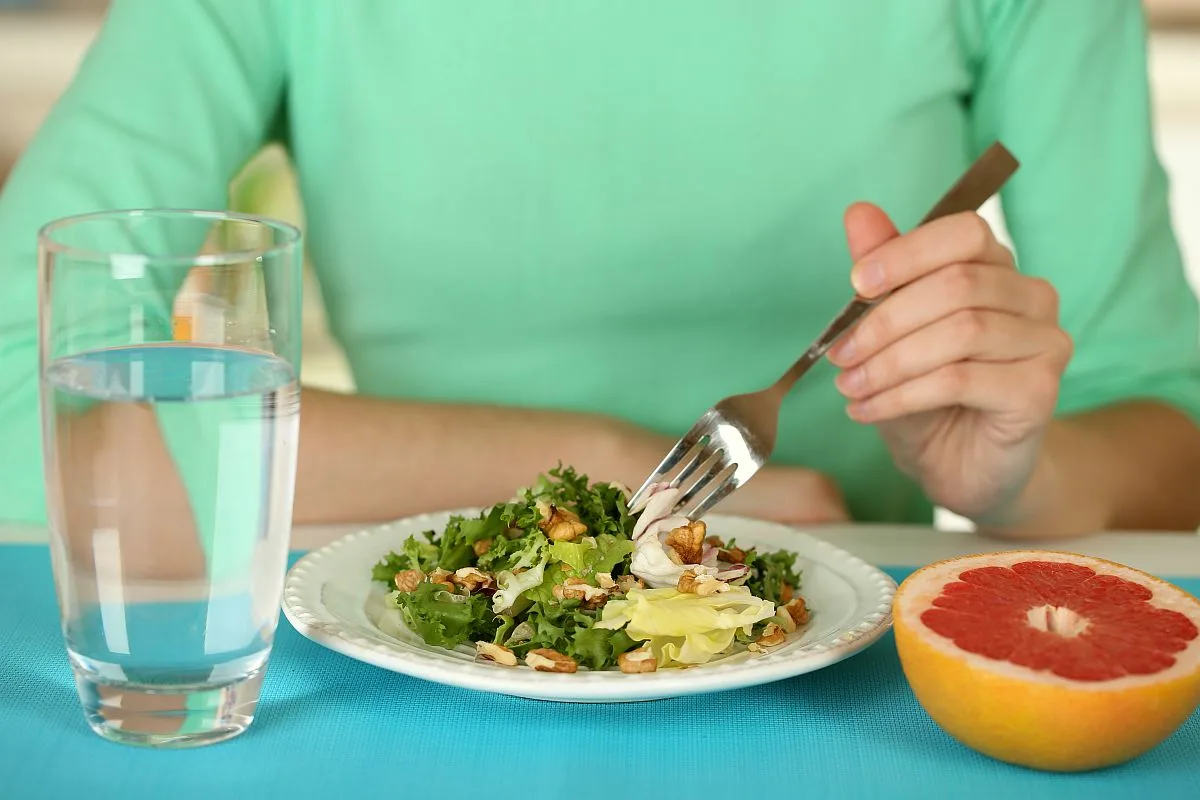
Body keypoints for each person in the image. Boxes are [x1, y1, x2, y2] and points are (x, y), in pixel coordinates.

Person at [1, 0, 1199, 540]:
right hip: (424, 658)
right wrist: (618, 475)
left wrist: (1018, 483)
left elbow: (1170, 428)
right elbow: (25, 400)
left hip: (848, 690)